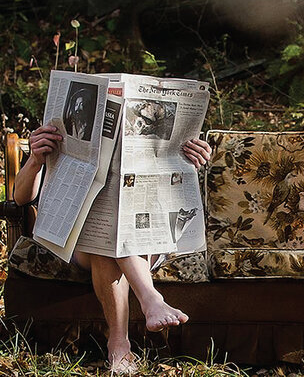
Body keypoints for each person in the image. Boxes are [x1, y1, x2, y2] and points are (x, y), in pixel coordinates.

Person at [13, 124, 213, 374]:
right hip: (80, 242)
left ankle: (118, 343)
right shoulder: (56, 133)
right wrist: (35, 160)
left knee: (109, 241)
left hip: (144, 236)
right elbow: (20, 198)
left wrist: (192, 160)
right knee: (103, 232)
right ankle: (150, 298)